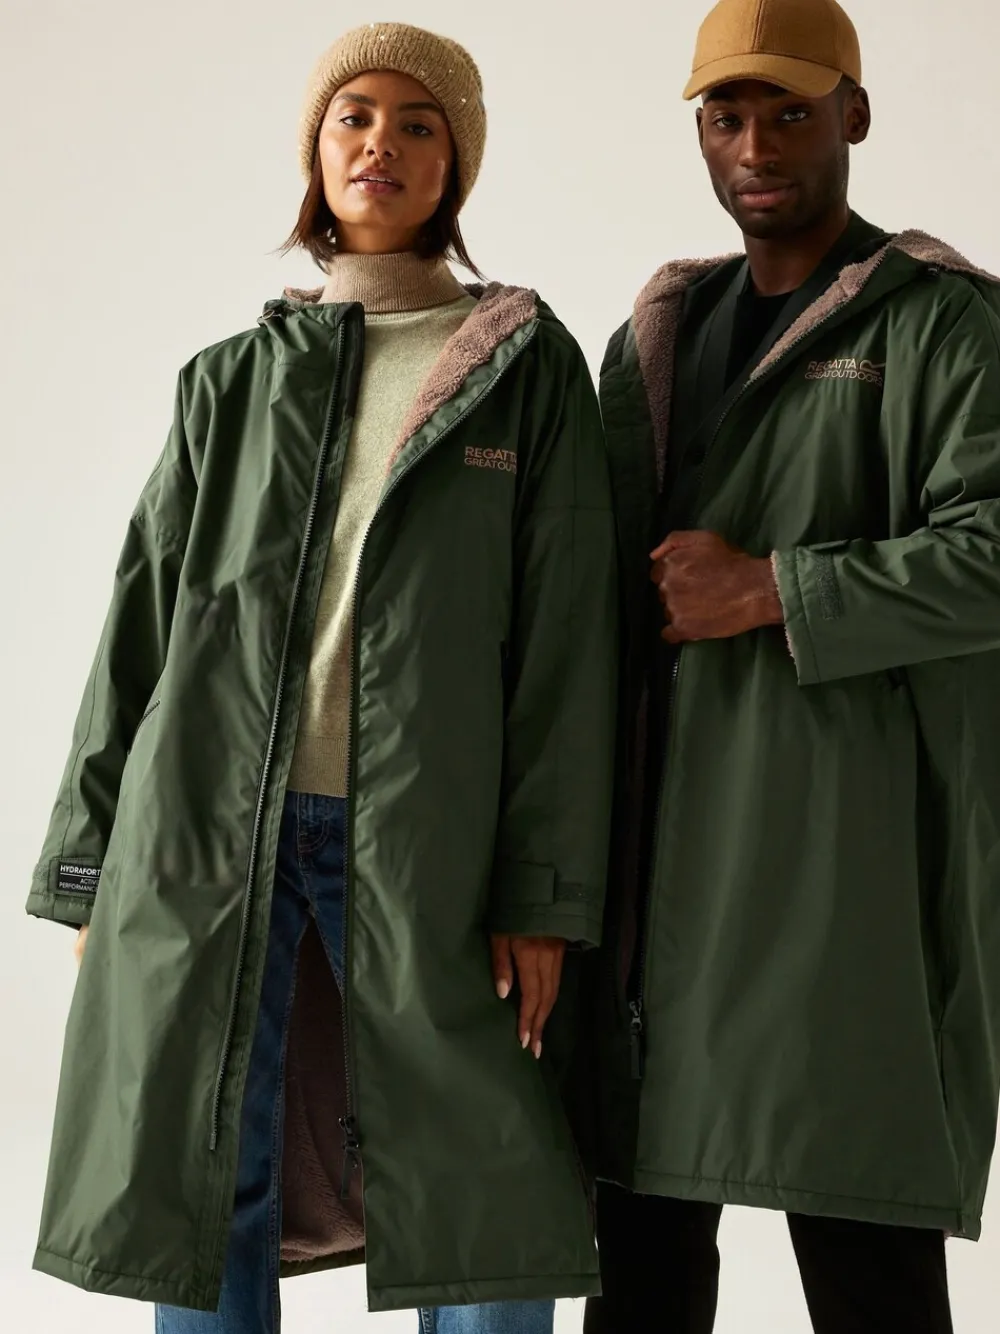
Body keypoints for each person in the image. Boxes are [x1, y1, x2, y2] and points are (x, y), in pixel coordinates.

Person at [26, 23, 617, 1333]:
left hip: (433, 837)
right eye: (354, 116)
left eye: (417, 123)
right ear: (316, 147)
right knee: (207, 1177)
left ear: (455, 163)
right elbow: (139, 629)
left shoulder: (524, 370)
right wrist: (89, 863)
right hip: (212, 831)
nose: (380, 144)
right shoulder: (230, 382)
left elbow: (569, 647)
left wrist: (544, 889)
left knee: (484, 1176)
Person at [584, 0, 1000, 1330]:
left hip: (843, 895)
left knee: (871, 1273)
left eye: (790, 113)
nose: (756, 146)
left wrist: (772, 586)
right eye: (727, 115)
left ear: (854, 116)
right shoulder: (657, 335)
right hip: (654, 909)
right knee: (637, 1280)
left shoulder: (942, 324)